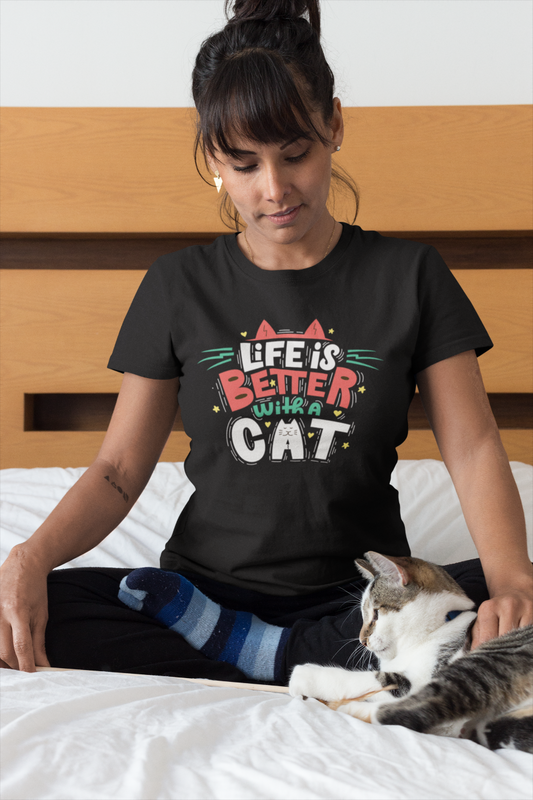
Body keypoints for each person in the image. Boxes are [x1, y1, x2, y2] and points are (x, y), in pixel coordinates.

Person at [1, 0, 531, 683]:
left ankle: (260, 653)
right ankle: (299, 655)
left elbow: (474, 447)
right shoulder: (177, 285)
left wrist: (513, 583)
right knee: (28, 612)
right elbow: (119, 470)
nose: (274, 189)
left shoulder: (410, 275)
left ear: (334, 125)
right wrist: (29, 559)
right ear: (212, 159)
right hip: (201, 596)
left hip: (367, 600)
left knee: (502, 600)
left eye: (295, 155)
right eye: (244, 164)